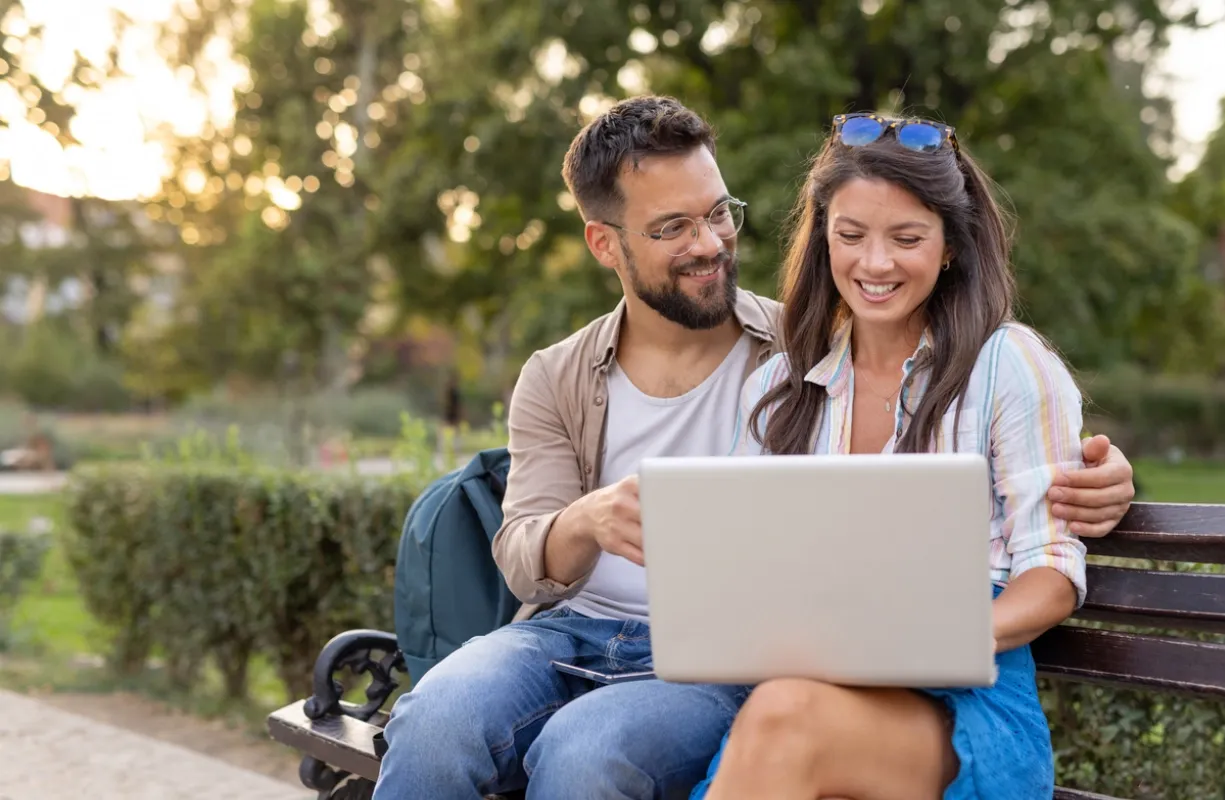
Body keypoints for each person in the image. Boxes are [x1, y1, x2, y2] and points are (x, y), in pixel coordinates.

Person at [372, 97, 1136, 800]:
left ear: (948, 249)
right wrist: (588, 520)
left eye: (718, 214)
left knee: (594, 752)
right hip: (631, 641)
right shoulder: (774, 380)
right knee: (433, 723)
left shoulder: (817, 350)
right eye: (672, 228)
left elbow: (1044, 543)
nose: (707, 244)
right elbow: (531, 553)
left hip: (873, 682)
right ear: (605, 244)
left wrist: (1103, 476)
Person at [690, 113, 1095, 800]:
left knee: (784, 719)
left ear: (950, 249)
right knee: (782, 713)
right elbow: (745, 575)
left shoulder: (1009, 365)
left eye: (907, 239)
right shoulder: (779, 389)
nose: (874, 264)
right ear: (823, 239)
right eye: (850, 235)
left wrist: (916, 641)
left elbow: (1052, 575)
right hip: (810, 694)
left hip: (965, 709)